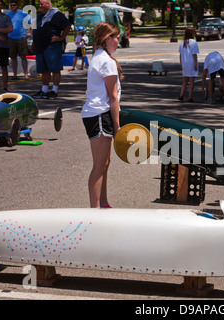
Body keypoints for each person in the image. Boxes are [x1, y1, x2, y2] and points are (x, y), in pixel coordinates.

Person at [81, 22, 123, 209]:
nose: (118, 40)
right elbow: (113, 99)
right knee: (99, 165)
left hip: (97, 114)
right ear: (108, 39)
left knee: (105, 163)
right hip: (99, 114)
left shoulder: (100, 57)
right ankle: (95, 209)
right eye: (116, 37)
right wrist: (117, 127)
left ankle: (104, 204)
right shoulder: (106, 61)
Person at [32, 0, 71, 100]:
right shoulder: (40, 16)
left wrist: (61, 38)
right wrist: (33, 44)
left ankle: (54, 90)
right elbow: (36, 30)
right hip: (40, 46)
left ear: (48, 4)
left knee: (55, 69)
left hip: (51, 46)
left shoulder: (56, 14)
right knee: (44, 70)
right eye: (39, 4)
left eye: (42, 4)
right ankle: (44, 90)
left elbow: (67, 25)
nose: (40, 6)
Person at [7, 0, 33, 80]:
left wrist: (30, 33)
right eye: (11, 5)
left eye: (14, 5)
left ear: (17, 5)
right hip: (11, 37)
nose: (12, 7)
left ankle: (25, 74)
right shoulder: (8, 14)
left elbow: (31, 22)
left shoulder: (23, 13)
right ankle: (15, 75)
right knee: (13, 57)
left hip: (21, 37)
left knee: (23, 56)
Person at [178, 27, 199, 102]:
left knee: (185, 80)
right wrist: (196, 64)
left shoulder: (182, 42)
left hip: (184, 63)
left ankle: (181, 95)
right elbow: (194, 54)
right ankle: (190, 97)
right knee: (191, 80)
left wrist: (181, 64)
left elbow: (180, 55)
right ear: (192, 34)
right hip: (191, 63)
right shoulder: (193, 42)